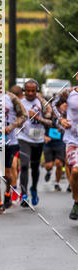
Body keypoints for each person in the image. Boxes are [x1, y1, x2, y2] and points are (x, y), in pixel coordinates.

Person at [16, 79, 53, 207]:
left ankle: (34, 189)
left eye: (33, 91)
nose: (30, 93)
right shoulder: (20, 103)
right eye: (27, 90)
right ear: (24, 91)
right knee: (25, 165)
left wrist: (37, 117)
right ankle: (24, 194)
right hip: (24, 138)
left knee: (35, 168)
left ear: (37, 91)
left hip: (38, 138)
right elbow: (14, 119)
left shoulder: (42, 103)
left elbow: (50, 121)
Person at [0, 90, 26, 214]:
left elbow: (24, 116)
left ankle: (7, 193)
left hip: (9, 141)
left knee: (7, 174)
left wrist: (10, 127)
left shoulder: (11, 98)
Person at [52, 87, 78, 219]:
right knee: (75, 171)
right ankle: (76, 201)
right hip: (73, 139)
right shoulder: (69, 93)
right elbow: (54, 104)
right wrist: (61, 119)